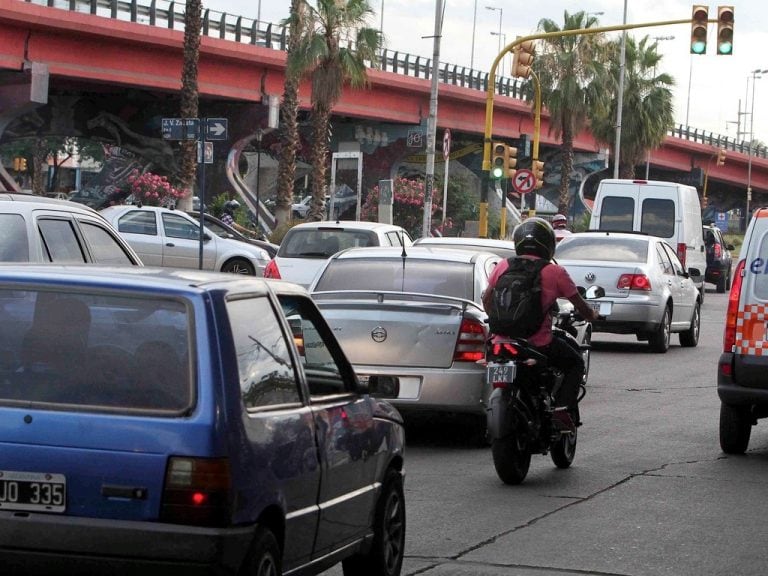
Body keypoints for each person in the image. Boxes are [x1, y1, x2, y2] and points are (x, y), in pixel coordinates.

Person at [482, 217, 598, 433]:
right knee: (575, 363)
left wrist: (498, 320)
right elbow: (580, 305)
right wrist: (592, 315)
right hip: (538, 343)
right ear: (549, 244)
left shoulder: (503, 265)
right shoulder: (555, 272)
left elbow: (487, 298)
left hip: (500, 340)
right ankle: (562, 409)